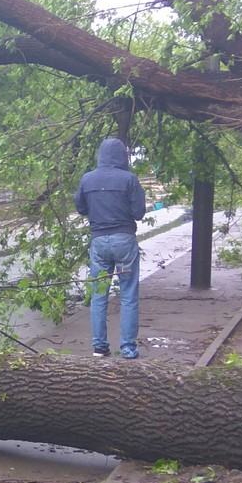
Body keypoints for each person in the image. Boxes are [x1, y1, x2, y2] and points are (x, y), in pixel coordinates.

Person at [75, 137, 147, 359]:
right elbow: (139, 213)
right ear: (122, 157)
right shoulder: (129, 179)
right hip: (124, 240)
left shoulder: (87, 180)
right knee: (128, 295)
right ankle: (127, 347)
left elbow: (80, 208)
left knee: (98, 295)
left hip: (99, 243)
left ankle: (99, 347)